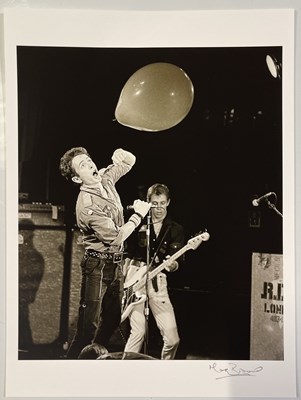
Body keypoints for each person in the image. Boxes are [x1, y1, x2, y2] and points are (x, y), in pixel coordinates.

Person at [59, 147, 151, 359]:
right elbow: (116, 237)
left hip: (115, 265)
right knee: (87, 330)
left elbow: (129, 161)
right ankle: (69, 371)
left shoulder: (105, 178)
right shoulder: (86, 205)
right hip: (97, 267)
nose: (90, 165)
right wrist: (138, 215)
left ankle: (93, 361)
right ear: (76, 179)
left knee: (111, 320)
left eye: (89, 160)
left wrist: (121, 153)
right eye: (83, 165)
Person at [123, 183, 185, 360]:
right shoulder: (137, 224)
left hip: (158, 280)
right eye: (155, 203)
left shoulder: (176, 229)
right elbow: (128, 254)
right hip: (135, 277)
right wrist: (124, 282)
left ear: (168, 202)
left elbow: (177, 261)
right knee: (138, 332)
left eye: (162, 203)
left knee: (172, 339)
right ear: (148, 203)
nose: (159, 208)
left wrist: (172, 265)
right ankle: (123, 371)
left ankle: (163, 371)